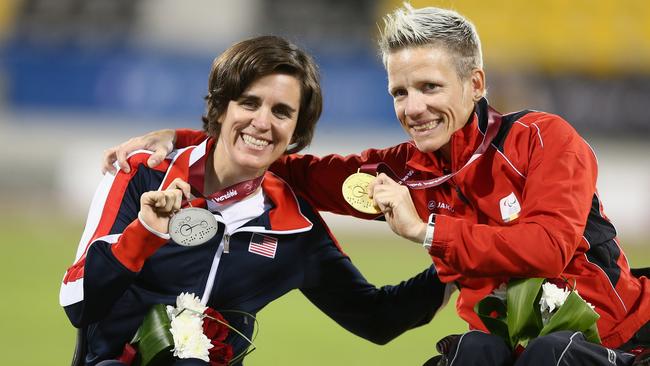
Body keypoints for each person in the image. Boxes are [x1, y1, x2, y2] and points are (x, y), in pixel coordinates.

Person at [103, 4, 650, 366]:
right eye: (399, 92)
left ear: (475, 83)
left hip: (615, 340)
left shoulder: (543, 140)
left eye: (430, 87)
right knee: (468, 358)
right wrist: (185, 139)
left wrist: (428, 231)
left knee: (550, 357)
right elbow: (286, 167)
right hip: (505, 349)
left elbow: (549, 248)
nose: (414, 108)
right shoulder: (401, 170)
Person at [60, 35, 450, 366]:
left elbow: (376, 318)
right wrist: (144, 233)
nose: (263, 123)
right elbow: (79, 304)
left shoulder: (293, 226)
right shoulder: (143, 175)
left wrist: (461, 256)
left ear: (296, 129)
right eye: (249, 103)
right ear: (221, 106)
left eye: (281, 112)